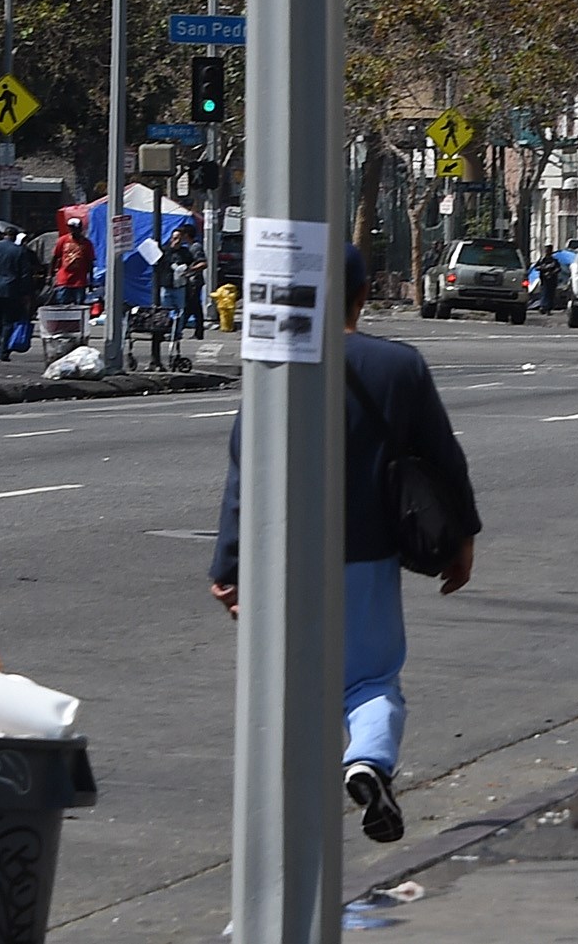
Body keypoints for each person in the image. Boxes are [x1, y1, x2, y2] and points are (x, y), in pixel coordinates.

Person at [211, 246, 480, 844]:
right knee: (370, 682)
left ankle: (280, 831)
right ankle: (369, 761)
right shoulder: (399, 367)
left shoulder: (275, 362)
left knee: (285, 688)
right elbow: (445, 460)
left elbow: (243, 468)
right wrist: (463, 538)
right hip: (366, 558)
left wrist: (229, 562)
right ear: (363, 295)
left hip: (279, 559)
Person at [0, 229, 36, 362]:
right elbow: (25, 274)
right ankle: (3, 352)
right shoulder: (19, 250)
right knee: (8, 322)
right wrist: (25, 293)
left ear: (3, 235)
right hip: (11, 291)